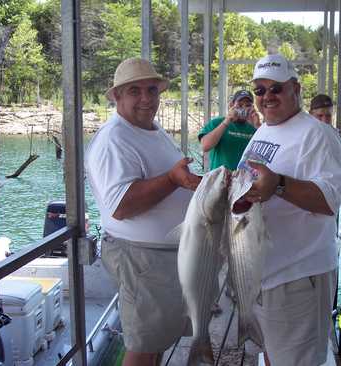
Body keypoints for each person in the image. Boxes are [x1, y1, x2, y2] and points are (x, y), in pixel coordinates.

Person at [85, 57, 201, 366]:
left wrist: (202, 184)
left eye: (152, 89)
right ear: (118, 97)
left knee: (158, 339)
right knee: (144, 345)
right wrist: (172, 179)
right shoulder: (114, 138)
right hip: (140, 258)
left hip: (163, 258)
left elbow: (172, 178)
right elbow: (122, 205)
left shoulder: (152, 130)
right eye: (135, 91)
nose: (146, 98)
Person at [237, 54, 341, 366]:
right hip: (264, 275)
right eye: (260, 90)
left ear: (295, 88)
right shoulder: (265, 129)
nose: (267, 97)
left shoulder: (318, 134)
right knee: (273, 356)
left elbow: (329, 200)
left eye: (276, 89)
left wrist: (280, 184)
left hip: (298, 278)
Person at [198, 90, 260, 170]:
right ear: (231, 105)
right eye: (240, 105)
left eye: (247, 105)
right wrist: (227, 121)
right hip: (221, 178)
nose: (244, 108)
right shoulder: (217, 123)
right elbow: (205, 146)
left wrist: (257, 125)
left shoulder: (255, 128)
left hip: (245, 179)